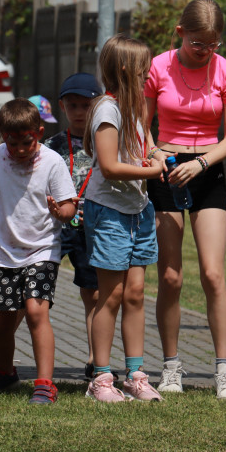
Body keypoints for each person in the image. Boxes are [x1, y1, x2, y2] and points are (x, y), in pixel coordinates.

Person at [144, 0, 226, 400]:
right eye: (197, 44)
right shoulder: (158, 66)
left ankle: (224, 369)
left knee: (213, 274)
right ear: (180, 32)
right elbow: (140, 119)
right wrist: (153, 151)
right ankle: (171, 366)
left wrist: (202, 163)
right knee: (170, 276)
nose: (205, 51)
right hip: (165, 167)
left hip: (207, 169)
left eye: (212, 44)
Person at [82, 35, 165, 403]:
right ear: (128, 70)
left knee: (135, 293)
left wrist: (157, 154)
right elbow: (111, 166)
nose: (150, 74)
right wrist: (154, 172)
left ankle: (135, 374)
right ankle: (101, 378)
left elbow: (146, 143)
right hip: (110, 212)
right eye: (145, 68)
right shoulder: (107, 109)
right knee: (111, 295)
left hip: (138, 210)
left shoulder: (134, 108)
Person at [0, 98, 76, 404]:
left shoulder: (52, 162)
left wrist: (60, 212)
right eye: (13, 143)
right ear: (1, 136)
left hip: (43, 249)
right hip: (7, 251)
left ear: (39, 133)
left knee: (35, 310)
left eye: (27, 142)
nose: (20, 149)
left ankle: (45, 383)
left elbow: (70, 206)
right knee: (2, 320)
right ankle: (5, 372)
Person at [41, 74, 104, 379]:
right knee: (36, 289)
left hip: (91, 226)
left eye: (87, 105)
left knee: (93, 293)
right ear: (62, 107)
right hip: (55, 225)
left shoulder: (105, 141)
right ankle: (4, 356)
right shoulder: (50, 145)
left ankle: (96, 359)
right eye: (73, 105)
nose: (80, 112)